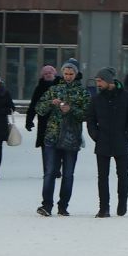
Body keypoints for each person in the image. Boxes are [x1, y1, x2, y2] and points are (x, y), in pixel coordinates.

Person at [34, 58, 90, 217]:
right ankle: (46, 205)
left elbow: (86, 114)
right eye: (65, 73)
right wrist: (51, 103)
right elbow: (39, 108)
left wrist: (70, 110)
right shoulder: (54, 89)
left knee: (68, 174)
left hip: (71, 137)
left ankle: (63, 206)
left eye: (71, 73)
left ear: (76, 74)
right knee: (50, 172)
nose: (68, 76)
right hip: (52, 136)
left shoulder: (83, 92)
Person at [87, 67, 128, 218]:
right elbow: (90, 119)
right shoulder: (96, 99)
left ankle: (122, 203)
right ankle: (103, 207)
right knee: (102, 177)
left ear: (109, 81)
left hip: (121, 142)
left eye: (100, 81)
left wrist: (127, 135)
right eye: (97, 81)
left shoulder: (126, 97)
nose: (97, 84)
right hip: (102, 142)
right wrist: (95, 135)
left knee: (122, 175)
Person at [24, 64, 58, 149]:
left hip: (59, 122)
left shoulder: (61, 86)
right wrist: (29, 120)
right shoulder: (39, 88)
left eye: (50, 73)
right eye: (45, 74)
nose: (48, 75)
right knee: (46, 149)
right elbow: (33, 105)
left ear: (54, 74)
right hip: (44, 122)